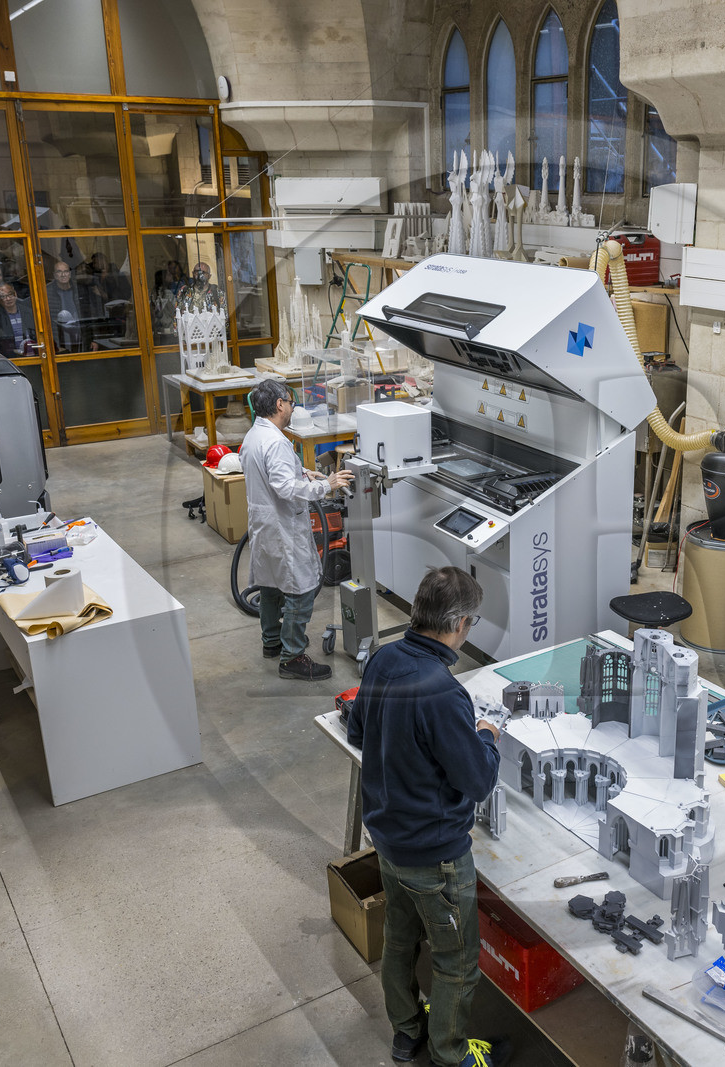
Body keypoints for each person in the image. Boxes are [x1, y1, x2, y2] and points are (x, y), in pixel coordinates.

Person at [345, 567, 510, 1067]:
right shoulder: (441, 689)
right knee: (457, 959)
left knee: (400, 938)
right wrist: (486, 735)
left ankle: (406, 1032)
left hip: (388, 839)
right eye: (472, 622)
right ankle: (450, 1054)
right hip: (434, 856)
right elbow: (478, 781)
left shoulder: (383, 658)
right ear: (459, 622)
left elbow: (358, 733)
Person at [241, 379, 353, 680]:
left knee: (270, 586)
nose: (292, 408)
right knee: (300, 591)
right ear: (279, 404)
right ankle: (292, 657)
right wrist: (324, 485)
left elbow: (268, 472)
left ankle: (272, 642)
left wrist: (302, 471)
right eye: (291, 403)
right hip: (283, 528)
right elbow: (284, 487)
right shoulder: (276, 441)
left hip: (265, 526)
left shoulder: (254, 435)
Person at [44, 259, 100, 353]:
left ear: (70, 274)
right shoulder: (47, 292)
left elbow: (91, 315)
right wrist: (53, 344)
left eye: (66, 271)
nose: (63, 275)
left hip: (80, 340)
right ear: (54, 275)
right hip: (58, 342)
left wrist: (94, 339)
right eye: (59, 272)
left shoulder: (80, 290)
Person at [0, 283, 37, 359]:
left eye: (10, 294)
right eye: (3, 296)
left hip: (32, 356)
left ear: (15, 294)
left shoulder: (29, 312)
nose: (8, 298)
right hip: (10, 358)